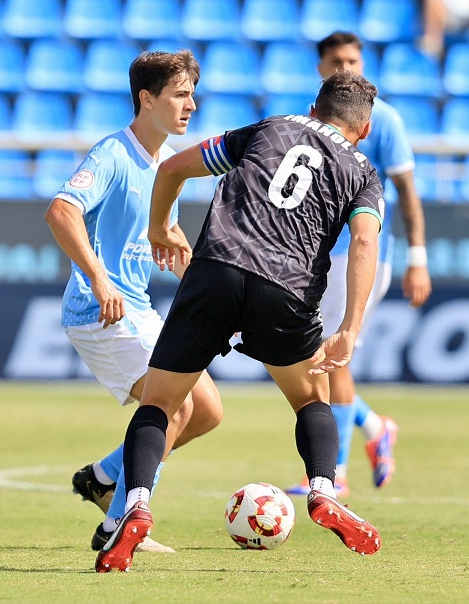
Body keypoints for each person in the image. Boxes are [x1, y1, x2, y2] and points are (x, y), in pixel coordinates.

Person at [95, 71, 386, 573]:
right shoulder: (361, 171)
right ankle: (322, 489)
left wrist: (160, 227)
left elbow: (173, 170)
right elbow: (363, 241)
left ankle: (135, 507)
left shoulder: (268, 128)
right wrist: (350, 328)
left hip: (215, 272)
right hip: (286, 288)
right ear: (364, 127)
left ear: (314, 109)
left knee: (160, 402)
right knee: (311, 400)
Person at [44, 50, 223, 555]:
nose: (191, 105)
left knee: (207, 411)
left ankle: (104, 478)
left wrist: (179, 248)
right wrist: (98, 278)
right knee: (177, 405)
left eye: (192, 94)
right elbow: (61, 211)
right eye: (180, 95)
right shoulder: (113, 154)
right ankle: (119, 525)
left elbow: (161, 230)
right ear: (147, 99)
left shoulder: (162, 163)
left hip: (137, 306)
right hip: (100, 309)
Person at [286, 32, 432, 499]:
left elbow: (407, 194)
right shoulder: (314, 116)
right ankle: (375, 427)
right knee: (319, 359)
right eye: (335, 61)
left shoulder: (383, 118)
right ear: (320, 67)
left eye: (352, 60)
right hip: (319, 255)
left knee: (327, 357)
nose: (344, 68)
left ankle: (336, 473)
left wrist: (418, 258)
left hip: (365, 255)